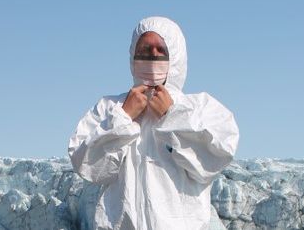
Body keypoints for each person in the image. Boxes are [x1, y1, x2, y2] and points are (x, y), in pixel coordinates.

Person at [68, 16, 240, 230]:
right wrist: (123, 119)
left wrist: (173, 117)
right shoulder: (109, 107)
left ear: (175, 56)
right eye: (145, 49)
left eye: (161, 50)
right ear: (133, 54)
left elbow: (213, 160)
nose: (153, 55)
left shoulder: (201, 107)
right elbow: (88, 166)